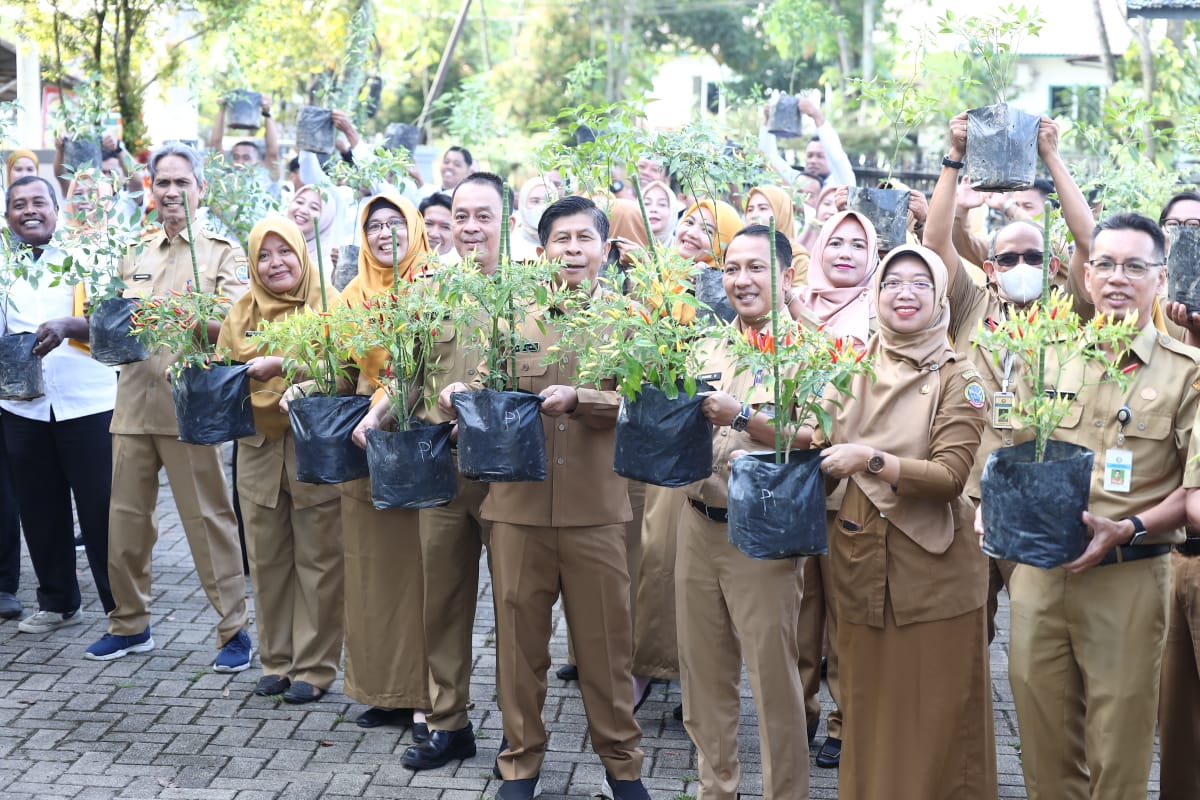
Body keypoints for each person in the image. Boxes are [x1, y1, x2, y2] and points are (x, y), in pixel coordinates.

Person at [438, 195, 649, 800]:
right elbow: (485, 389)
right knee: (517, 648)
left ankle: (623, 767)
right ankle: (520, 763)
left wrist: (584, 399)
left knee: (607, 651)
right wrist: (461, 393)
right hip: (517, 512)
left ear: (606, 251)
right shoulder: (511, 319)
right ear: (542, 250)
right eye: (562, 240)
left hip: (596, 513)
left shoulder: (631, 324)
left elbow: (644, 407)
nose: (574, 250)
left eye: (585, 239)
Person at [1000, 213, 1200, 800]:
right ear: (1086, 276)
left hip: (1128, 576)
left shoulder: (1186, 374)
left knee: (1118, 750)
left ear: (1159, 279)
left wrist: (1129, 527)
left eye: (1135, 266)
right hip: (1042, 574)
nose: (1118, 278)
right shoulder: (1047, 356)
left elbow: (1191, 493)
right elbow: (1008, 447)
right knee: (1041, 744)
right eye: (1106, 264)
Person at [816, 243, 993, 799]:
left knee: (938, 718)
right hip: (860, 560)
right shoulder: (852, 368)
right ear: (877, 294)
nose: (905, 293)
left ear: (941, 297)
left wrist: (869, 460)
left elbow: (949, 476)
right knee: (869, 711)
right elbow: (819, 446)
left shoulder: (961, 377)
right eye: (893, 282)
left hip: (933, 570)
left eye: (921, 282)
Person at [85, 143, 252, 669]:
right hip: (133, 403)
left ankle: (233, 631)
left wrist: (174, 315)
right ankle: (129, 624)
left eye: (182, 182)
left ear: (200, 189)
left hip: (192, 408)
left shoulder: (223, 252)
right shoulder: (134, 252)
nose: (172, 192)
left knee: (209, 520)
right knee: (126, 522)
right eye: (163, 183)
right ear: (150, 190)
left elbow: (237, 326)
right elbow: (116, 321)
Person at [679, 224, 810, 800]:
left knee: (774, 681)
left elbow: (816, 435)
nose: (741, 280)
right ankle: (716, 789)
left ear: (784, 276)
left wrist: (743, 418)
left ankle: (785, 792)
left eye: (756, 268)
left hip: (764, 534)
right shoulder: (706, 343)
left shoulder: (810, 348)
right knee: (704, 677)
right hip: (697, 519)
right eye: (732, 269)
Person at [388, 172, 503, 771]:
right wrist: (380, 410)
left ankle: (523, 729)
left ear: (504, 220)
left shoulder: (525, 294)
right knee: (442, 602)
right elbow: (408, 369)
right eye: (461, 216)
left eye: (483, 215)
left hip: (510, 480)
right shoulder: (429, 291)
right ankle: (448, 721)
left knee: (515, 609)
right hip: (442, 471)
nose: (471, 228)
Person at [216, 217, 344, 704]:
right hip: (257, 450)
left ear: (302, 252)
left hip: (313, 447)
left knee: (319, 561)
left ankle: (314, 667)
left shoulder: (327, 302)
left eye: (284, 252)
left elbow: (345, 365)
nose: (276, 264)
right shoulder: (242, 311)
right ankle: (276, 661)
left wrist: (293, 371)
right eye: (264, 256)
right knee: (266, 561)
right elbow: (228, 372)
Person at [330, 189, 432, 735]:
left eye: (395, 223)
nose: (383, 234)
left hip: (417, 443)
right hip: (365, 447)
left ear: (414, 228)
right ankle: (383, 690)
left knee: (422, 574)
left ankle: (427, 693)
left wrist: (380, 410)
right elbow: (342, 369)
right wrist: (308, 386)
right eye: (373, 226)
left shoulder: (435, 285)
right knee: (371, 574)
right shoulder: (352, 294)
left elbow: (427, 365)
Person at [1, 175, 117, 634]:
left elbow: (118, 324)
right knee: (39, 506)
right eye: (17, 205)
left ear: (56, 208)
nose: (29, 211)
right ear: (7, 216)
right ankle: (57, 601)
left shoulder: (88, 256)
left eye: (38, 202)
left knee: (101, 510)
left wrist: (71, 325)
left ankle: (121, 608)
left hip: (88, 402)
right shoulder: (5, 264)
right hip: (23, 406)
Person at [759, 95, 856, 189]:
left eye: (820, 156)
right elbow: (768, 158)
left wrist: (817, 116)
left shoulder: (841, 184)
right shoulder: (796, 181)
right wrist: (768, 120)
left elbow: (838, 159)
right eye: (810, 156)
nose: (813, 161)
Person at [210, 93, 281, 199]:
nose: (240, 162)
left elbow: (272, 151)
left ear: (259, 162)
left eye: (246, 158)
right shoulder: (226, 180)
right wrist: (222, 108)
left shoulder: (268, 177)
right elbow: (215, 144)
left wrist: (266, 113)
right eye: (236, 157)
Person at [285, 184, 336, 268]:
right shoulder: (271, 242)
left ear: (325, 218)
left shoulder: (328, 261)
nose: (303, 210)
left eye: (314, 208)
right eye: (300, 202)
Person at [509, 177, 552, 262]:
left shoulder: (565, 239)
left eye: (548, 201)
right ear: (523, 203)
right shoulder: (510, 242)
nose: (542, 207)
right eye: (535, 201)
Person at [418, 192, 459, 266]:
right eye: (428, 224)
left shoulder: (463, 272)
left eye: (445, 227)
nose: (434, 234)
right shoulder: (401, 264)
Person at [642, 180, 678, 247]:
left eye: (662, 204)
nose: (653, 209)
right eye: (646, 203)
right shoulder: (624, 246)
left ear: (672, 211)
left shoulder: (681, 251)